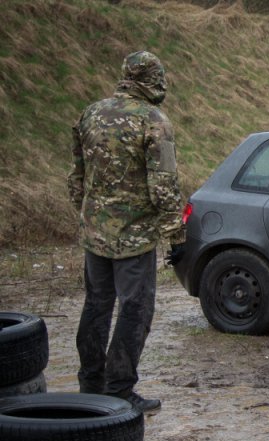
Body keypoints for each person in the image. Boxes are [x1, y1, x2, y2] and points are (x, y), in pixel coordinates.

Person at [67, 50, 185, 413]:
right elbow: (163, 185)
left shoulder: (91, 113)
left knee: (96, 306)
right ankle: (119, 389)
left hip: (95, 233)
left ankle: (90, 382)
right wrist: (175, 236)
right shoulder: (153, 120)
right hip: (133, 238)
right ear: (154, 79)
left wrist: (90, 216)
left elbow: (76, 177)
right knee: (135, 309)